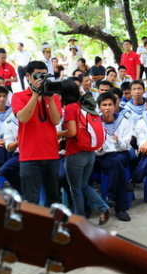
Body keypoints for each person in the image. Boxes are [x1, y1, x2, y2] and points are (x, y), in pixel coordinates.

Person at [57, 80, 110, 224]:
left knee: (75, 189)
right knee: (83, 185)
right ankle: (103, 207)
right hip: (89, 152)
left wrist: (57, 134)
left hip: (75, 153)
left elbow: (72, 132)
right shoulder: (84, 105)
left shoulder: (70, 108)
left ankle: (79, 219)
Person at [10, 61, 62, 206]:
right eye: (37, 75)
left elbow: (56, 120)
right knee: (30, 200)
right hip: (29, 156)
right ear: (28, 76)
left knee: (53, 198)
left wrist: (50, 98)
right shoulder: (18, 96)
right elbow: (23, 118)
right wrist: (35, 95)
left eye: (44, 75)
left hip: (51, 154)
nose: (41, 79)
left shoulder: (54, 97)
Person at [95, 92, 133, 222]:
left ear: (115, 106)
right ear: (99, 107)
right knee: (118, 167)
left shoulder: (123, 121)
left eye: (110, 104)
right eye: (104, 105)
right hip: (104, 156)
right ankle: (121, 209)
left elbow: (127, 145)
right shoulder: (95, 123)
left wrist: (117, 142)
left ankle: (109, 197)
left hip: (121, 154)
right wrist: (99, 149)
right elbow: (94, 145)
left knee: (117, 162)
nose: (107, 108)